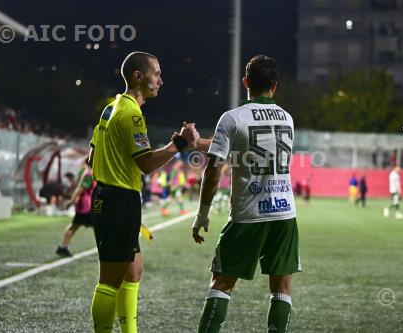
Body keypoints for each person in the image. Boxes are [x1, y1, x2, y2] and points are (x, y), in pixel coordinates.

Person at [88, 51, 199, 333]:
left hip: (115, 197)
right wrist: (180, 143)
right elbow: (146, 163)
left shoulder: (111, 108)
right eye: (156, 73)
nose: (160, 80)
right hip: (117, 200)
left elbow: (92, 157)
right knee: (109, 280)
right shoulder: (132, 114)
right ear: (139, 76)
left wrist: (113, 166)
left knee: (133, 271)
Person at [192, 55, 300, 333]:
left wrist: (202, 214)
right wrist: (204, 142)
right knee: (282, 286)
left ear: (245, 83)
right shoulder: (287, 118)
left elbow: (215, 169)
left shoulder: (231, 119)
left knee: (221, 283)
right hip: (284, 213)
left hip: (248, 214)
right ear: (274, 86)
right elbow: (254, 143)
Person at [56, 159, 95, 257]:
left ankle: (62, 247)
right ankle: (62, 247)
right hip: (87, 207)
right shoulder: (88, 174)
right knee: (100, 227)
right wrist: (71, 201)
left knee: (74, 226)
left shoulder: (89, 173)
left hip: (85, 206)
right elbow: (80, 189)